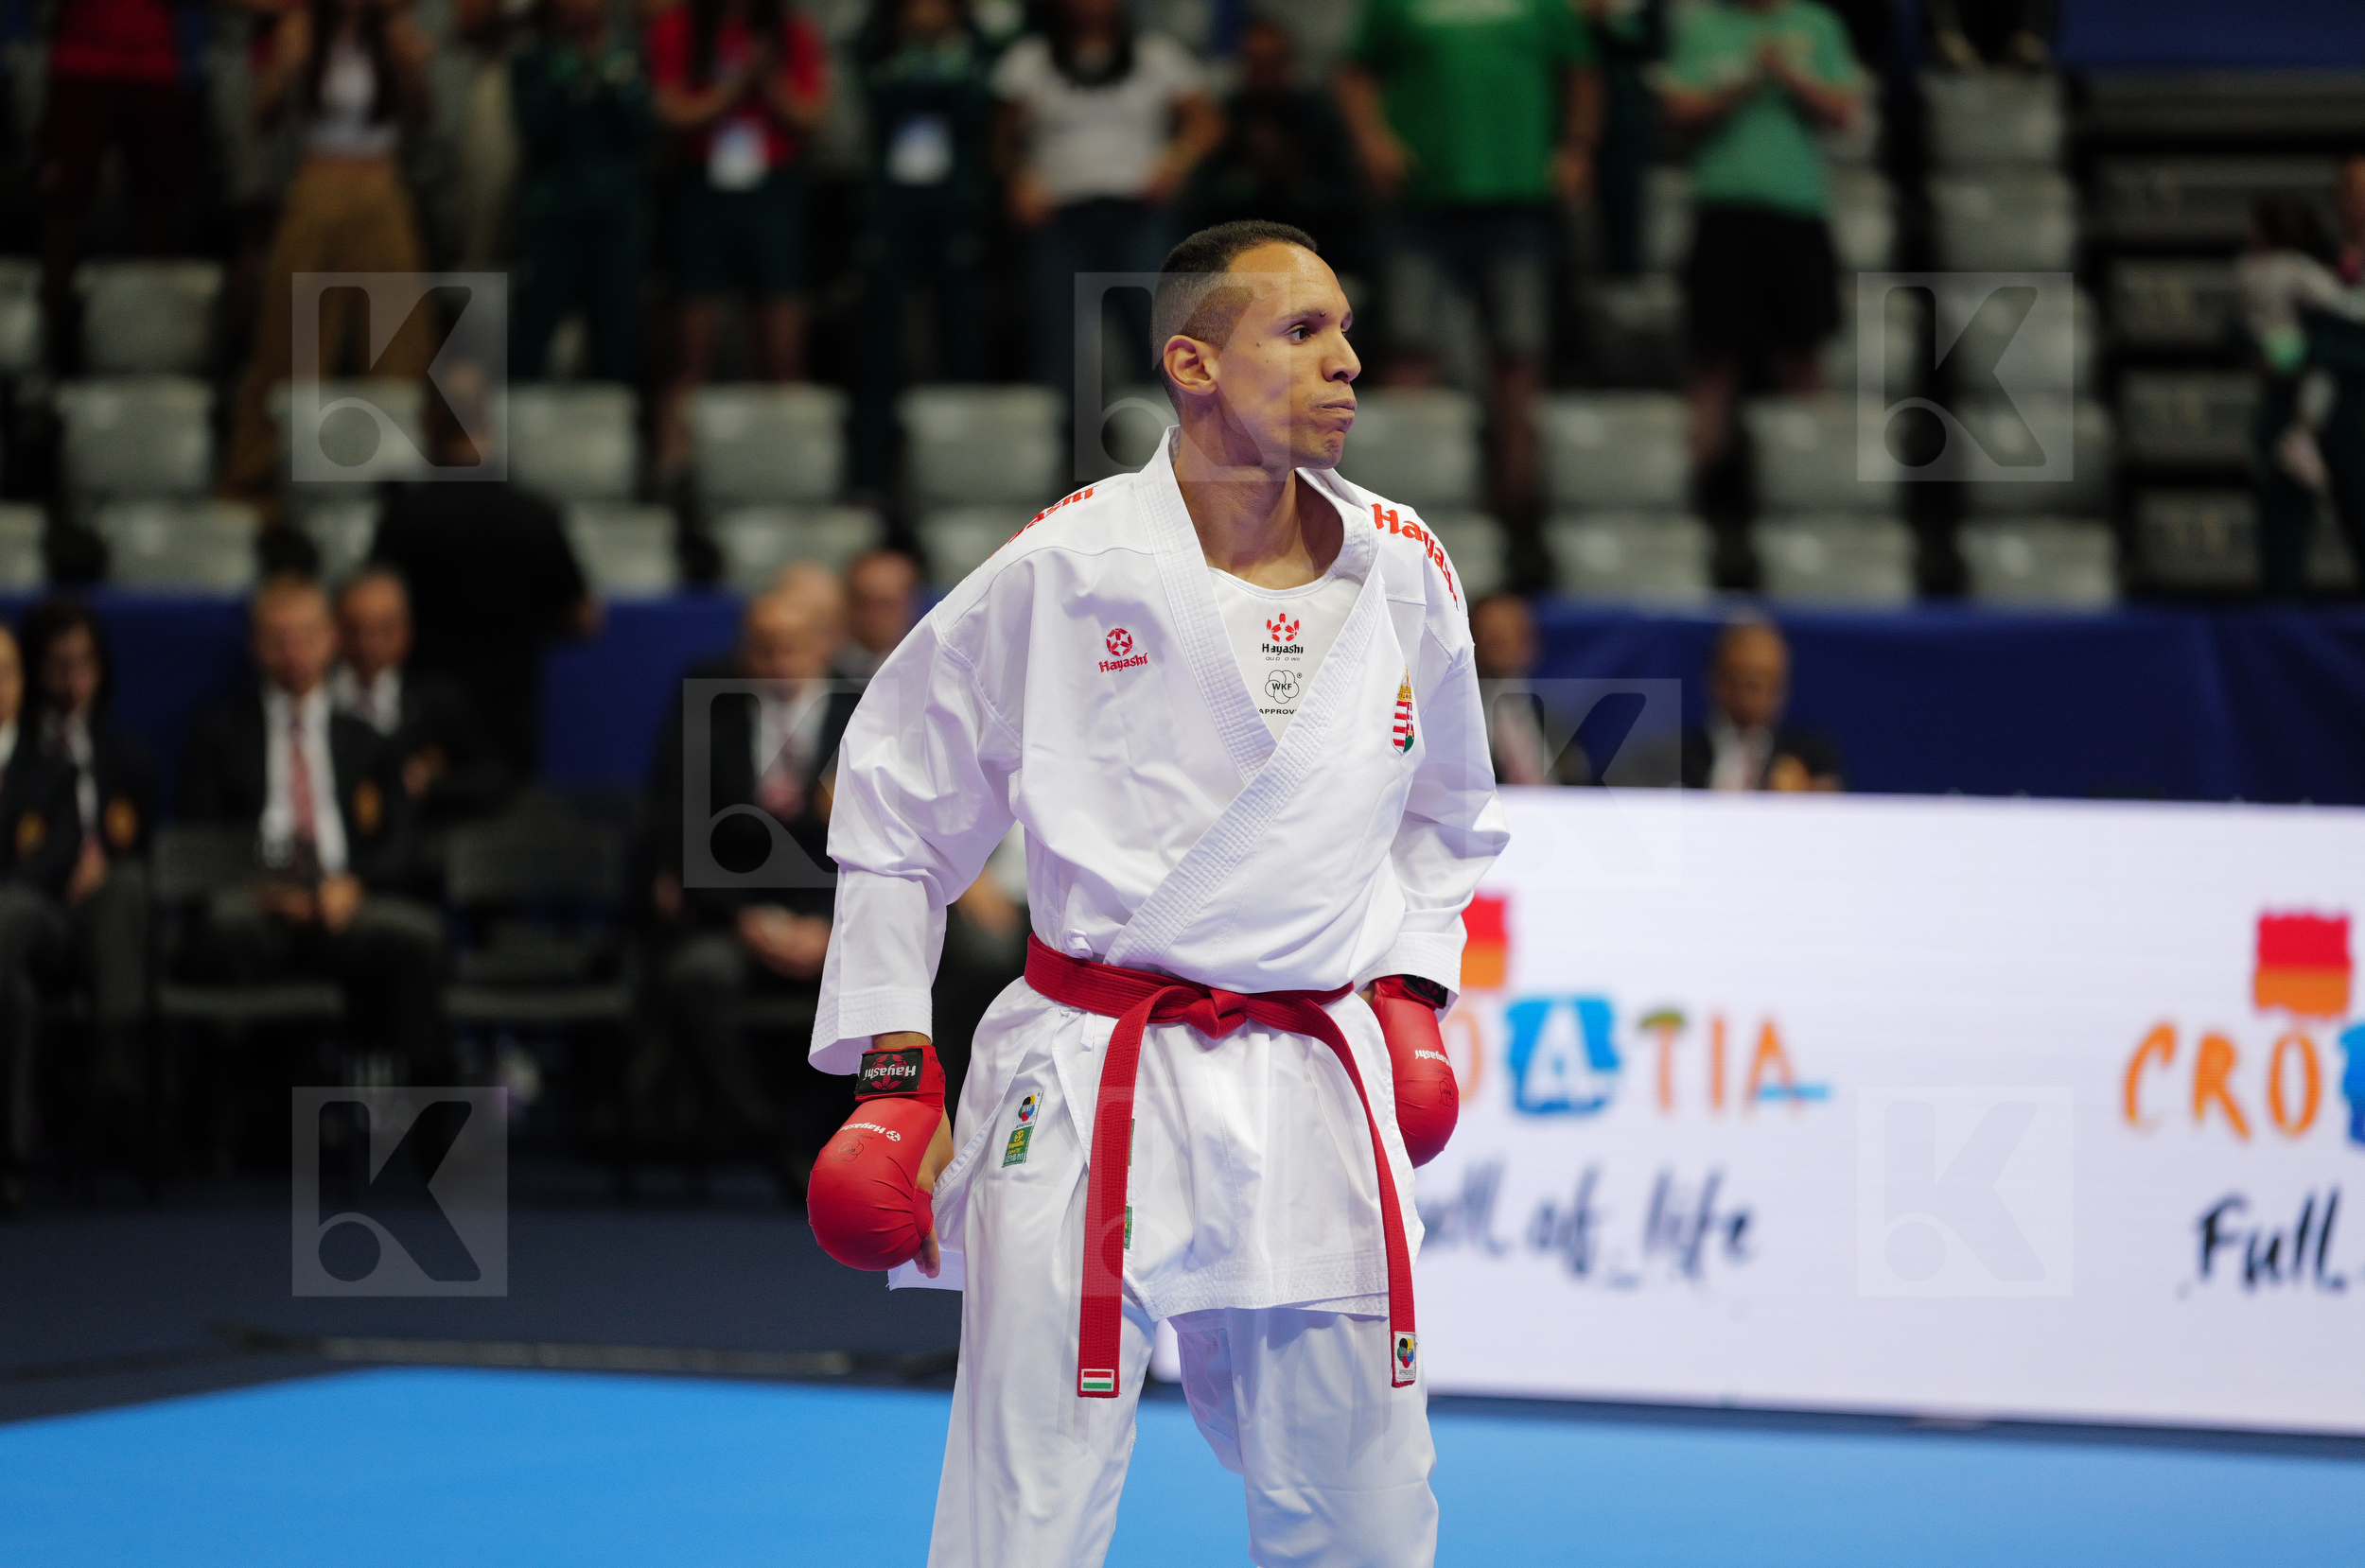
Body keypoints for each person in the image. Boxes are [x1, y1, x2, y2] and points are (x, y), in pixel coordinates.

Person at [802, 220, 1505, 1567]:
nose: (1348, 363)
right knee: (1024, 1511)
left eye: (1348, 330)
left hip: (1313, 1083)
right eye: (1302, 334)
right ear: (1192, 360)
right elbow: (892, 798)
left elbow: (1451, 813)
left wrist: (1412, 986)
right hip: (1088, 1078)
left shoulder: (1406, 567)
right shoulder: (1064, 566)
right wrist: (895, 1069)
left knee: (1364, 1512)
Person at [1337, 0, 1600, 524]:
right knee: (1408, 348)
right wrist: (1372, 141)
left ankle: (1518, 511)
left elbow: (1582, 73)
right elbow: (1354, 70)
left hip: (1518, 198)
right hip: (1418, 199)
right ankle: (1403, 508)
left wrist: (1576, 148)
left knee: (1519, 355)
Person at [179, 575, 448, 1080]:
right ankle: (238, 1110)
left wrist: (356, 884)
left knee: (418, 936)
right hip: (258, 900)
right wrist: (266, 886)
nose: (294, 651)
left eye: (306, 635)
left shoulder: (368, 739)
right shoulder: (220, 733)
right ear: (255, 646)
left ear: (331, 641)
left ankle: (432, 1134)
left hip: (344, 901)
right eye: (279, 638)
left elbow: (403, 841)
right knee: (224, 924)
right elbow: (199, 839)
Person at [647, 582, 861, 1196]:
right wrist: (746, 918)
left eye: (789, 648)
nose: (774, 664)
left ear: (825, 646)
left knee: (901, 973)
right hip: (737, 917)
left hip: (837, 921)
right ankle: (769, 1141)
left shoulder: (867, 712)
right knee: (694, 975)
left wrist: (829, 927)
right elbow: (684, 833)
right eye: (761, 649)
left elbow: (891, 842)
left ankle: (858, 1146)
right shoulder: (712, 710)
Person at [221, 0, 438, 511]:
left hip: (381, 188)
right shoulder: (300, 28)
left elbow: (425, 117)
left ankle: (401, 482)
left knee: (401, 346)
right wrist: (282, 70)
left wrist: (408, 66)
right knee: (288, 344)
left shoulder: (395, 33)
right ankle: (255, 481)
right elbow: (262, 119)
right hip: (317, 185)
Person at [1656, 0, 1864, 477]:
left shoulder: (1819, 25)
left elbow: (1844, 113)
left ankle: (1810, 480)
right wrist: (1748, 81)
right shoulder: (1704, 29)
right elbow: (1677, 111)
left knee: (1803, 356)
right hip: (1723, 211)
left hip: (1797, 212)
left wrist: (1791, 77)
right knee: (1712, 358)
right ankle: (1695, 484)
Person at [370, 386, 601, 780]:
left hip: (425, 718)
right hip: (511, 713)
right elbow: (585, 618)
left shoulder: (405, 517)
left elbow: (374, 609)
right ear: (489, 424)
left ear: (431, 426)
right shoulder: (534, 515)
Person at [992, 0, 1223, 391]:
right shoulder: (1030, 59)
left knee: (1160, 337)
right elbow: (1000, 137)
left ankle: (1168, 441)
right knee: (1057, 340)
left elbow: (1206, 122)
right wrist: (1018, 180)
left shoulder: (1156, 54)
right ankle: (1065, 445)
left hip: (1137, 212)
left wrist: (1175, 163)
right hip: (1059, 217)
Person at [648, 0, 831, 471]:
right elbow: (671, 111)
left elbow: (811, 117)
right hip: (701, 187)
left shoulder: (792, 33)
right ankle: (675, 465)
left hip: (772, 188)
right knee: (691, 346)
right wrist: (734, 85)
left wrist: (766, 79)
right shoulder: (677, 29)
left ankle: (791, 463)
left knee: (783, 351)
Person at [16, 600, 157, 1150]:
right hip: (37, 918)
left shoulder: (128, 760)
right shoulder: (19, 758)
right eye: (58, 664)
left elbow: (140, 851)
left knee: (126, 886)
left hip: (109, 922)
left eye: (84, 664)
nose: (73, 681)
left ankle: (114, 1093)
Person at [849, 0, 999, 490]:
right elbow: (871, 102)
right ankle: (870, 474)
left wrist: (947, 65)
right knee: (879, 342)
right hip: (891, 208)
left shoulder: (977, 48)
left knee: (961, 336)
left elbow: (980, 111)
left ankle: (965, 472)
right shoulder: (873, 46)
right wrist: (911, 62)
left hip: (952, 205)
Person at [37, 0, 195, 370]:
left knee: (158, 210)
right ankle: (50, 350)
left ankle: (155, 347)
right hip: (81, 57)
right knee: (61, 207)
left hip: (154, 60)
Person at [509, 0, 656, 381]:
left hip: (614, 216)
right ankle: (521, 428)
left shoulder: (625, 57)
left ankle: (613, 433)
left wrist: (610, 74)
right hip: (553, 214)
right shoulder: (532, 60)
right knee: (532, 338)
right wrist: (568, 76)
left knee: (615, 344)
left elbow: (642, 129)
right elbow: (536, 130)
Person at [0, 625, 84, 1214]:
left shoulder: (51, 769)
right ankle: (7, 1153)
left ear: (21, 683)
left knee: (7, 919)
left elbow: (56, 861)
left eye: (2, 672)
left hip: (40, 925)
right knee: (11, 993)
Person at [1182, 18, 1362, 276]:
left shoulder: (1319, 117)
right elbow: (1201, 202)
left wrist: (1289, 171)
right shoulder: (1223, 120)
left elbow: (1346, 202)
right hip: (1237, 263)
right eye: (1256, 61)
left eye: (1273, 60)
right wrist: (1250, 176)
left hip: (1319, 257)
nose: (1264, 71)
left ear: (1289, 61)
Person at [331, 567, 511, 823]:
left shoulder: (439, 700)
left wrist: (429, 785)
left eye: (384, 629)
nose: (368, 643)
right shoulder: (317, 699)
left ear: (407, 631)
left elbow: (493, 777)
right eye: (354, 629)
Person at [1677, 616, 1839, 791]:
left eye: (1763, 681)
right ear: (1714, 679)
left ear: (1782, 686)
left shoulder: (1813, 760)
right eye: (1738, 677)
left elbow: (1834, 809)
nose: (1748, 694)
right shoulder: (1675, 758)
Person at [835, 548, 922, 680]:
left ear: (910, 605)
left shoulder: (927, 672)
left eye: (885, 604)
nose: (873, 615)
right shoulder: (821, 669)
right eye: (863, 602)